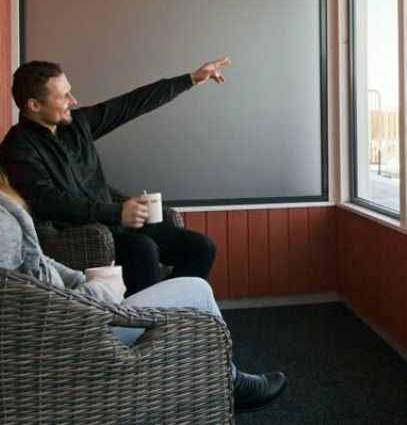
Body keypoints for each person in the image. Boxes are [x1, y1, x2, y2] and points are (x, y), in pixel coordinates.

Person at [0, 177, 286, 415]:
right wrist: (100, 291)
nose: (72, 104)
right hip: (69, 336)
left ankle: (182, 359)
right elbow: (18, 302)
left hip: (75, 311)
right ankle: (228, 381)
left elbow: (40, 263)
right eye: (64, 102)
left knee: (196, 253)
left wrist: (84, 279)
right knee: (196, 290)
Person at [0, 58, 230, 295]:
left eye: (69, 91)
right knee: (143, 248)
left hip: (118, 225)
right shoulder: (17, 147)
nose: (73, 100)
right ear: (34, 105)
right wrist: (116, 212)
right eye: (63, 97)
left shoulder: (77, 124)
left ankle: (168, 307)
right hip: (81, 237)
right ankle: (141, 315)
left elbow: (130, 104)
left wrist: (190, 79)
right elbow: (48, 202)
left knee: (202, 247)